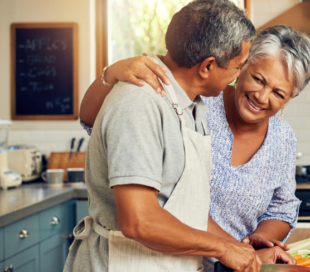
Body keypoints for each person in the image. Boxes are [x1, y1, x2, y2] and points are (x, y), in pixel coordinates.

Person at [79, 25, 310, 271]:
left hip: (234, 264)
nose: (262, 96)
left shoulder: (283, 137)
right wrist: (112, 74)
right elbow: (93, 119)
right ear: (242, 65)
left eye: (278, 93)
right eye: (258, 79)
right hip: (158, 258)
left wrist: (252, 246)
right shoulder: (198, 100)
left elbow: (282, 206)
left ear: (291, 98)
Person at [64, 0, 271, 271]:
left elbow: (184, 212)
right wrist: (222, 249)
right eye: (238, 66)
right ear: (208, 66)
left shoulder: (192, 105)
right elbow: (140, 221)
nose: (239, 74)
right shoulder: (139, 103)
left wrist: (243, 252)